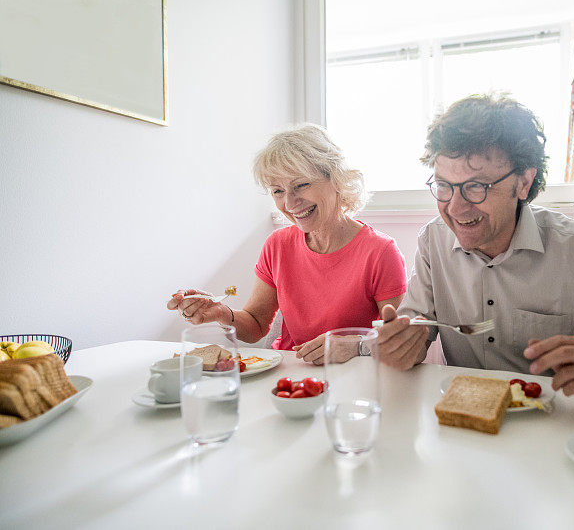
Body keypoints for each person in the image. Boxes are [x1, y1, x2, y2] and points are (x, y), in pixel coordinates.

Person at [376, 93, 574, 407]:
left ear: (523, 183)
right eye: (444, 186)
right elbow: (413, 333)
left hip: (552, 427)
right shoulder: (433, 242)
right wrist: (401, 345)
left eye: (476, 186)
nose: (455, 207)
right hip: (462, 426)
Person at [168, 124, 407, 365]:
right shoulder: (277, 245)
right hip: (289, 373)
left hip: (352, 376)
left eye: (302, 185)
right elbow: (256, 325)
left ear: (335, 178)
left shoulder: (380, 251)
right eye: (278, 191)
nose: (290, 202)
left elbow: (399, 341)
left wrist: (352, 345)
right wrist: (220, 313)